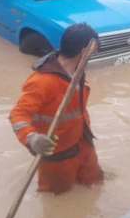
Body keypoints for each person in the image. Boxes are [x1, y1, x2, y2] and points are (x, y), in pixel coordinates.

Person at [9, 23, 103, 195]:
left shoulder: (77, 71)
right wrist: (32, 138)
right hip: (58, 154)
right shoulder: (42, 81)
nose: (94, 54)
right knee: (57, 197)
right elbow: (17, 114)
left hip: (83, 142)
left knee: (96, 182)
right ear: (84, 51)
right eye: (93, 50)